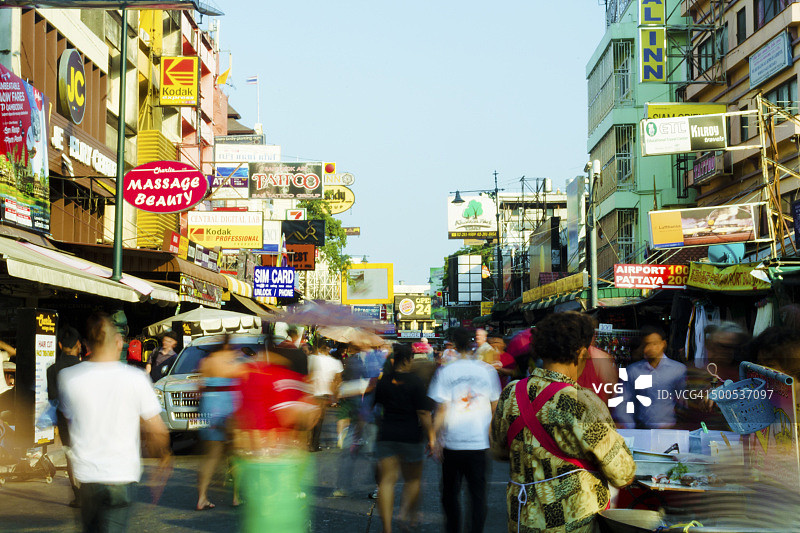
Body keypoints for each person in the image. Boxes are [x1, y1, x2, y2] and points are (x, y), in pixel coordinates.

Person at [490, 311, 636, 533]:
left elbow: (499, 450)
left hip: (521, 519)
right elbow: (622, 473)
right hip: (572, 522)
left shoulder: (512, 393)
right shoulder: (583, 402)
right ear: (581, 353)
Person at [59, 312, 171, 532]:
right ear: (119, 342)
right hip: (121, 477)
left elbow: (69, 419)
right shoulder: (136, 379)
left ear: (86, 345)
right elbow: (158, 430)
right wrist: (163, 458)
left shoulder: (69, 378)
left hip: (88, 479)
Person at [428, 327, 501, 533]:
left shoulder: (445, 371)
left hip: (452, 443)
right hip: (479, 443)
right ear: (471, 344)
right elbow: (495, 406)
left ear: (454, 344)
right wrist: (491, 433)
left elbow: (441, 409)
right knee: (477, 495)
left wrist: (434, 438)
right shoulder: (487, 371)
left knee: (450, 494)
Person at [374, 344, 435, 533]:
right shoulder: (415, 381)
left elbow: (376, 409)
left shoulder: (384, 381)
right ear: (408, 360)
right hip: (410, 435)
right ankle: (404, 515)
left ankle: (387, 528)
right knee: (413, 480)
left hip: (387, 434)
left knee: (386, 481)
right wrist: (431, 437)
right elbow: (423, 413)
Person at [196, 335, 248, 511]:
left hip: (208, 407)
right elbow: (244, 379)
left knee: (210, 456)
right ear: (228, 345)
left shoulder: (206, 361)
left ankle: (201, 497)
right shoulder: (234, 361)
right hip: (229, 407)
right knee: (235, 454)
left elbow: (199, 388)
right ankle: (236, 497)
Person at [616, 325, 687, 429]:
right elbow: (624, 401)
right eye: (647, 344)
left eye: (655, 343)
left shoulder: (678, 370)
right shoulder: (633, 371)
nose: (651, 348)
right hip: (641, 429)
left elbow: (683, 403)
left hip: (669, 429)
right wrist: (629, 427)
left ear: (663, 344)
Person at [47, 326, 83, 507]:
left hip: (64, 420)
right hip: (86, 419)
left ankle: (78, 495)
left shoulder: (52, 370)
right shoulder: (85, 368)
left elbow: (53, 397)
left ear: (60, 345)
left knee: (71, 455)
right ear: (78, 345)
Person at [308, 338, 343, 451]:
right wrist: (335, 392)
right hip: (323, 394)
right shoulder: (335, 362)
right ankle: (314, 444)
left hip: (311, 392)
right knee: (319, 420)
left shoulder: (311, 359)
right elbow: (338, 379)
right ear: (329, 348)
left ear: (318, 348)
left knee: (310, 418)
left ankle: (309, 442)